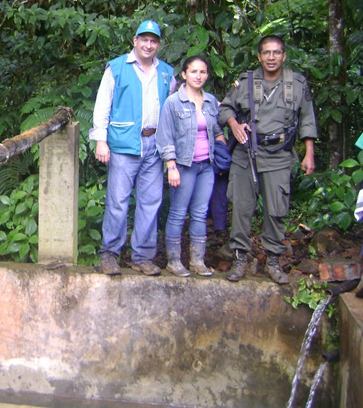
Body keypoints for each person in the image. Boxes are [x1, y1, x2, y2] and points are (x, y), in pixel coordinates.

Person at [218, 35, 317, 284]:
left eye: (276, 53)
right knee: (241, 208)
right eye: (266, 53)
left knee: (276, 210)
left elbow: (307, 119)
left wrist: (309, 153)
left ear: (284, 56)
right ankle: (240, 258)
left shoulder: (297, 84)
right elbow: (225, 108)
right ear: (259, 56)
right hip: (246, 154)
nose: (271, 57)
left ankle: (273, 260)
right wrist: (234, 125)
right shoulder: (246, 82)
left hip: (279, 155)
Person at [90, 20, 177, 276]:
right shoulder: (117, 67)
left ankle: (142, 257)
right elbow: (102, 104)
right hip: (123, 144)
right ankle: (109, 254)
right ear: (135, 40)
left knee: (150, 202)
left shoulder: (166, 72)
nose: (148, 45)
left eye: (153, 41)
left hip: (154, 145)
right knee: (118, 201)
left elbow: (173, 106)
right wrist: (101, 140)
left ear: (159, 44)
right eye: (144, 40)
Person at [156, 55, 226, 277]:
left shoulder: (211, 101)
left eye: (202, 72)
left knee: (200, 213)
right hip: (184, 166)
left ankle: (197, 261)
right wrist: (171, 167)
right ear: (184, 74)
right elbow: (165, 136)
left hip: (207, 166)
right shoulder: (173, 102)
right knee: (178, 213)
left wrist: (223, 150)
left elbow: (216, 130)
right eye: (193, 71)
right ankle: (174, 261)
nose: (198, 76)